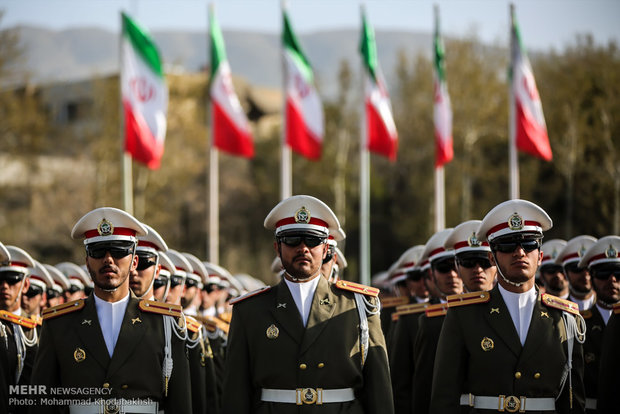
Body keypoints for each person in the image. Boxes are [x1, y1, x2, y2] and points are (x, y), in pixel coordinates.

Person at [221, 195, 393, 413]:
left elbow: (379, 389)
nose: (303, 248)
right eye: (293, 239)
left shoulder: (358, 305)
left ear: (325, 249)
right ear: (277, 247)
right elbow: (236, 393)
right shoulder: (250, 310)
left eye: (312, 240)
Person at [430, 199, 586, 413]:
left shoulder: (565, 318)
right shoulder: (463, 315)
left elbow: (573, 400)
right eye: (507, 245)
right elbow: (444, 399)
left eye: (529, 244)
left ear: (540, 256)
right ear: (491, 257)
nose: (520, 252)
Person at [31, 207, 191, 413]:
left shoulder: (166, 323)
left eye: (119, 251)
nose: (108, 260)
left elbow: (180, 404)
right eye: (98, 251)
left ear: (134, 262)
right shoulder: (59, 324)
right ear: (87, 262)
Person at [412, 228, 464, 414]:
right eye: (443, 268)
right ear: (432, 275)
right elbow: (421, 386)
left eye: (456, 266)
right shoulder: (426, 321)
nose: (452, 274)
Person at [577, 235, 620, 412]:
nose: (612, 280)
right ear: (591, 277)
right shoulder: (578, 323)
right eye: (604, 273)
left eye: (618, 273)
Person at [1, 244, 38, 414]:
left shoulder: (38, 330)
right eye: (0, 280)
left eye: (12, 279)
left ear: (25, 285)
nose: (4, 286)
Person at [444, 220, 497, 293]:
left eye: (485, 262)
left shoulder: (513, 304)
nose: (478, 270)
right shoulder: (451, 304)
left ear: (496, 264)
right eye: (469, 263)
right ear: (457, 266)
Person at [556, 235, 598, 311]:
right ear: (566, 273)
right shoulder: (557, 312)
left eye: (589, 269)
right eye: (578, 269)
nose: (585, 274)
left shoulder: (611, 311)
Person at [128, 223, 168, 300]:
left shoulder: (163, 312)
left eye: (142, 264)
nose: (133, 272)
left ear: (157, 271)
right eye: (129, 264)